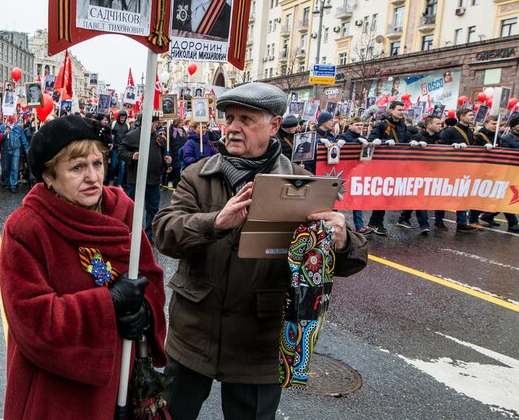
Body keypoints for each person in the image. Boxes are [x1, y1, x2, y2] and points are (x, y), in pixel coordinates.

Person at [153, 82, 368, 420]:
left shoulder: (302, 184)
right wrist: (215, 222)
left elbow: (350, 259)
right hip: (194, 334)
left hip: (258, 342)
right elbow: (164, 233)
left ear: (274, 125)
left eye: (247, 119)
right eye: (230, 118)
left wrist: (340, 242)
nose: (233, 127)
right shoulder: (198, 176)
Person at [0, 115, 166, 417]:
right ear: (49, 176)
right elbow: (33, 322)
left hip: (120, 384)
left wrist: (145, 312)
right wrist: (108, 304)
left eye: (97, 164)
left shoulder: (125, 210)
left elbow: (151, 278)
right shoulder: (26, 228)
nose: (93, 177)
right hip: (55, 393)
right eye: (77, 168)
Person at [118, 113, 171, 243]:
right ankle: (129, 234)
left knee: (152, 209)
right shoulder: (132, 136)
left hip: (153, 180)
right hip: (135, 180)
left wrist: (167, 162)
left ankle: (149, 236)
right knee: (132, 208)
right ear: (146, 122)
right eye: (154, 122)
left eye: (157, 122)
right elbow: (120, 151)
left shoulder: (159, 138)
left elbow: (163, 156)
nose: (157, 125)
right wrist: (131, 156)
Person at [364, 101, 408, 235]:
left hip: (396, 164)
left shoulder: (402, 126)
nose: (402, 112)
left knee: (387, 195)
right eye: (399, 110)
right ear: (391, 110)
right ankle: (378, 223)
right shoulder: (382, 124)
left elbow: (404, 141)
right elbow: (371, 140)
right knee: (382, 194)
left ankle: (373, 222)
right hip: (382, 164)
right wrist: (383, 142)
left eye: (403, 110)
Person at [398, 115, 443, 235]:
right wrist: (413, 144)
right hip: (417, 173)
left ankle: (403, 218)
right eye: (437, 123)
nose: (440, 126)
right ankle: (424, 224)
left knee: (416, 197)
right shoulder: (418, 136)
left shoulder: (439, 138)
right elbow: (406, 151)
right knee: (419, 198)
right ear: (429, 125)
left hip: (431, 172)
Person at [440, 108, 481, 231]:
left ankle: (462, 223)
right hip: (450, 168)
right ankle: (438, 220)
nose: (472, 117)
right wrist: (452, 149)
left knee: (462, 194)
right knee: (444, 195)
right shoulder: (450, 131)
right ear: (462, 117)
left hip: (464, 168)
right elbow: (441, 148)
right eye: (470, 115)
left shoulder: (470, 131)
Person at [0, 117, 31, 193]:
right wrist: (5, 133)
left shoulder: (18, 128)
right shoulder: (2, 127)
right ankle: (7, 181)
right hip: (5, 150)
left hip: (15, 150)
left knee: (15, 167)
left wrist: (27, 149)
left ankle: (13, 184)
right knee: (6, 167)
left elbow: (23, 139)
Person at [110, 109, 130, 186]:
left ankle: (119, 183)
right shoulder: (114, 123)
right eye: (121, 117)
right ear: (119, 117)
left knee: (122, 167)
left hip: (123, 149)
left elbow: (129, 137)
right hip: (115, 149)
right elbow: (110, 134)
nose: (122, 119)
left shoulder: (127, 125)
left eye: (124, 118)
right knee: (113, 166)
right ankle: (111, 179)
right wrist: (111, 144)